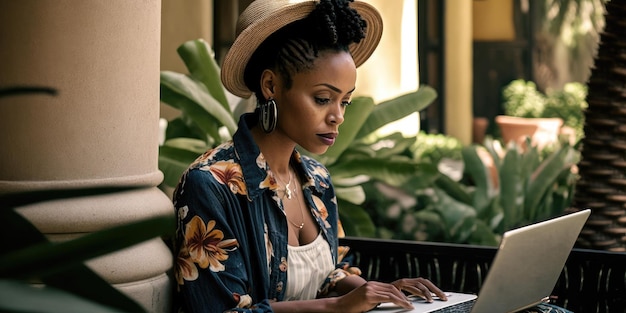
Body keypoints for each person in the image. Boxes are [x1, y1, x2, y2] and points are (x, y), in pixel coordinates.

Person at [171, 0, 448, 312]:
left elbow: (330, 273)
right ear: (271, 85)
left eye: (345, 102)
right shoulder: (211, 185)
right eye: (323, 98)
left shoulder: (316, 179)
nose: (337, 116)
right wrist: (336, 307)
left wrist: (379, 291)